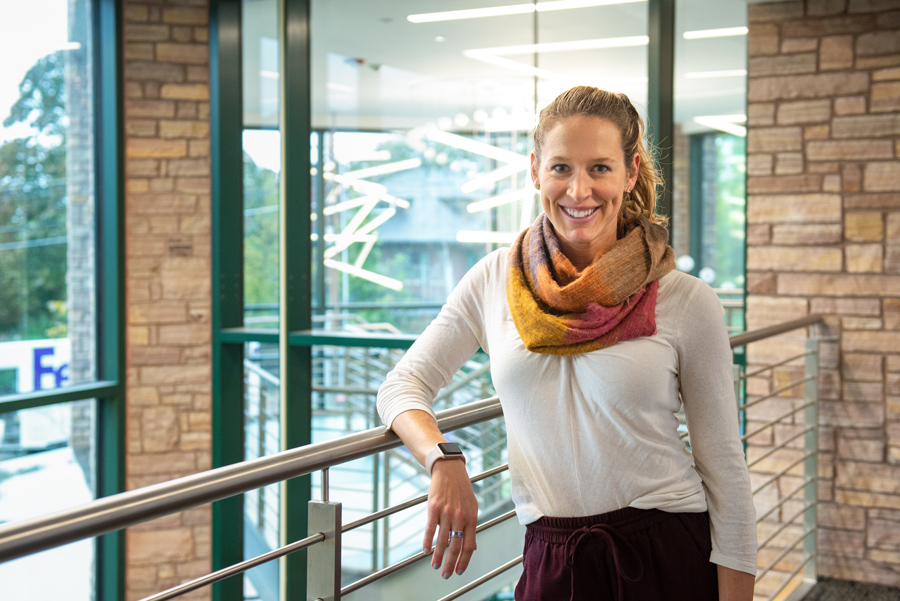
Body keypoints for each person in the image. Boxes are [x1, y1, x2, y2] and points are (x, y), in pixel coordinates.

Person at [376, 85, 757, 600]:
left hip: (665, 552)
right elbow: (402, 385)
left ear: (631, 172)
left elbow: (726, 473)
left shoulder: (684, 300)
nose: (579, 190)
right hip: (551, 558)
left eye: (600, 167)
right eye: (561, 168)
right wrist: (443, 458)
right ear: (535, 170)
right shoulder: (494, 281)